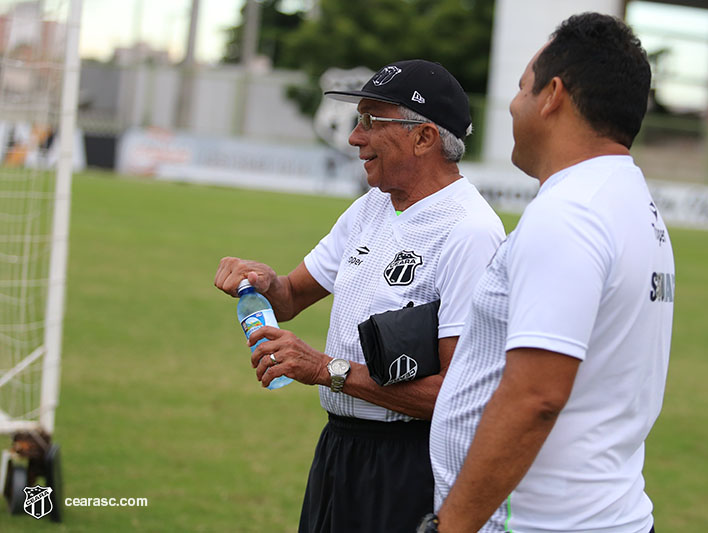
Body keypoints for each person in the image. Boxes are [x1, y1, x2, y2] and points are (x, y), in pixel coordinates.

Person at [214, 59, 504, 533]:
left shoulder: (468, 231)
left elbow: (457, 394)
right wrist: (266, 282)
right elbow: (288, 298)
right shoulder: (372, 205)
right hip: (340, 447)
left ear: (424, 137)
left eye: (372, 120)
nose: (354, 136)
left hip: (411, 461)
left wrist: (325, 369)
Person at [423, 13, 675, 533]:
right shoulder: (627, 201)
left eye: (521, 88)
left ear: (552, 95)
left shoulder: (571, 213)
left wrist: (451, 527)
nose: (514, 105)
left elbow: (535, 397)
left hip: (541, 523)